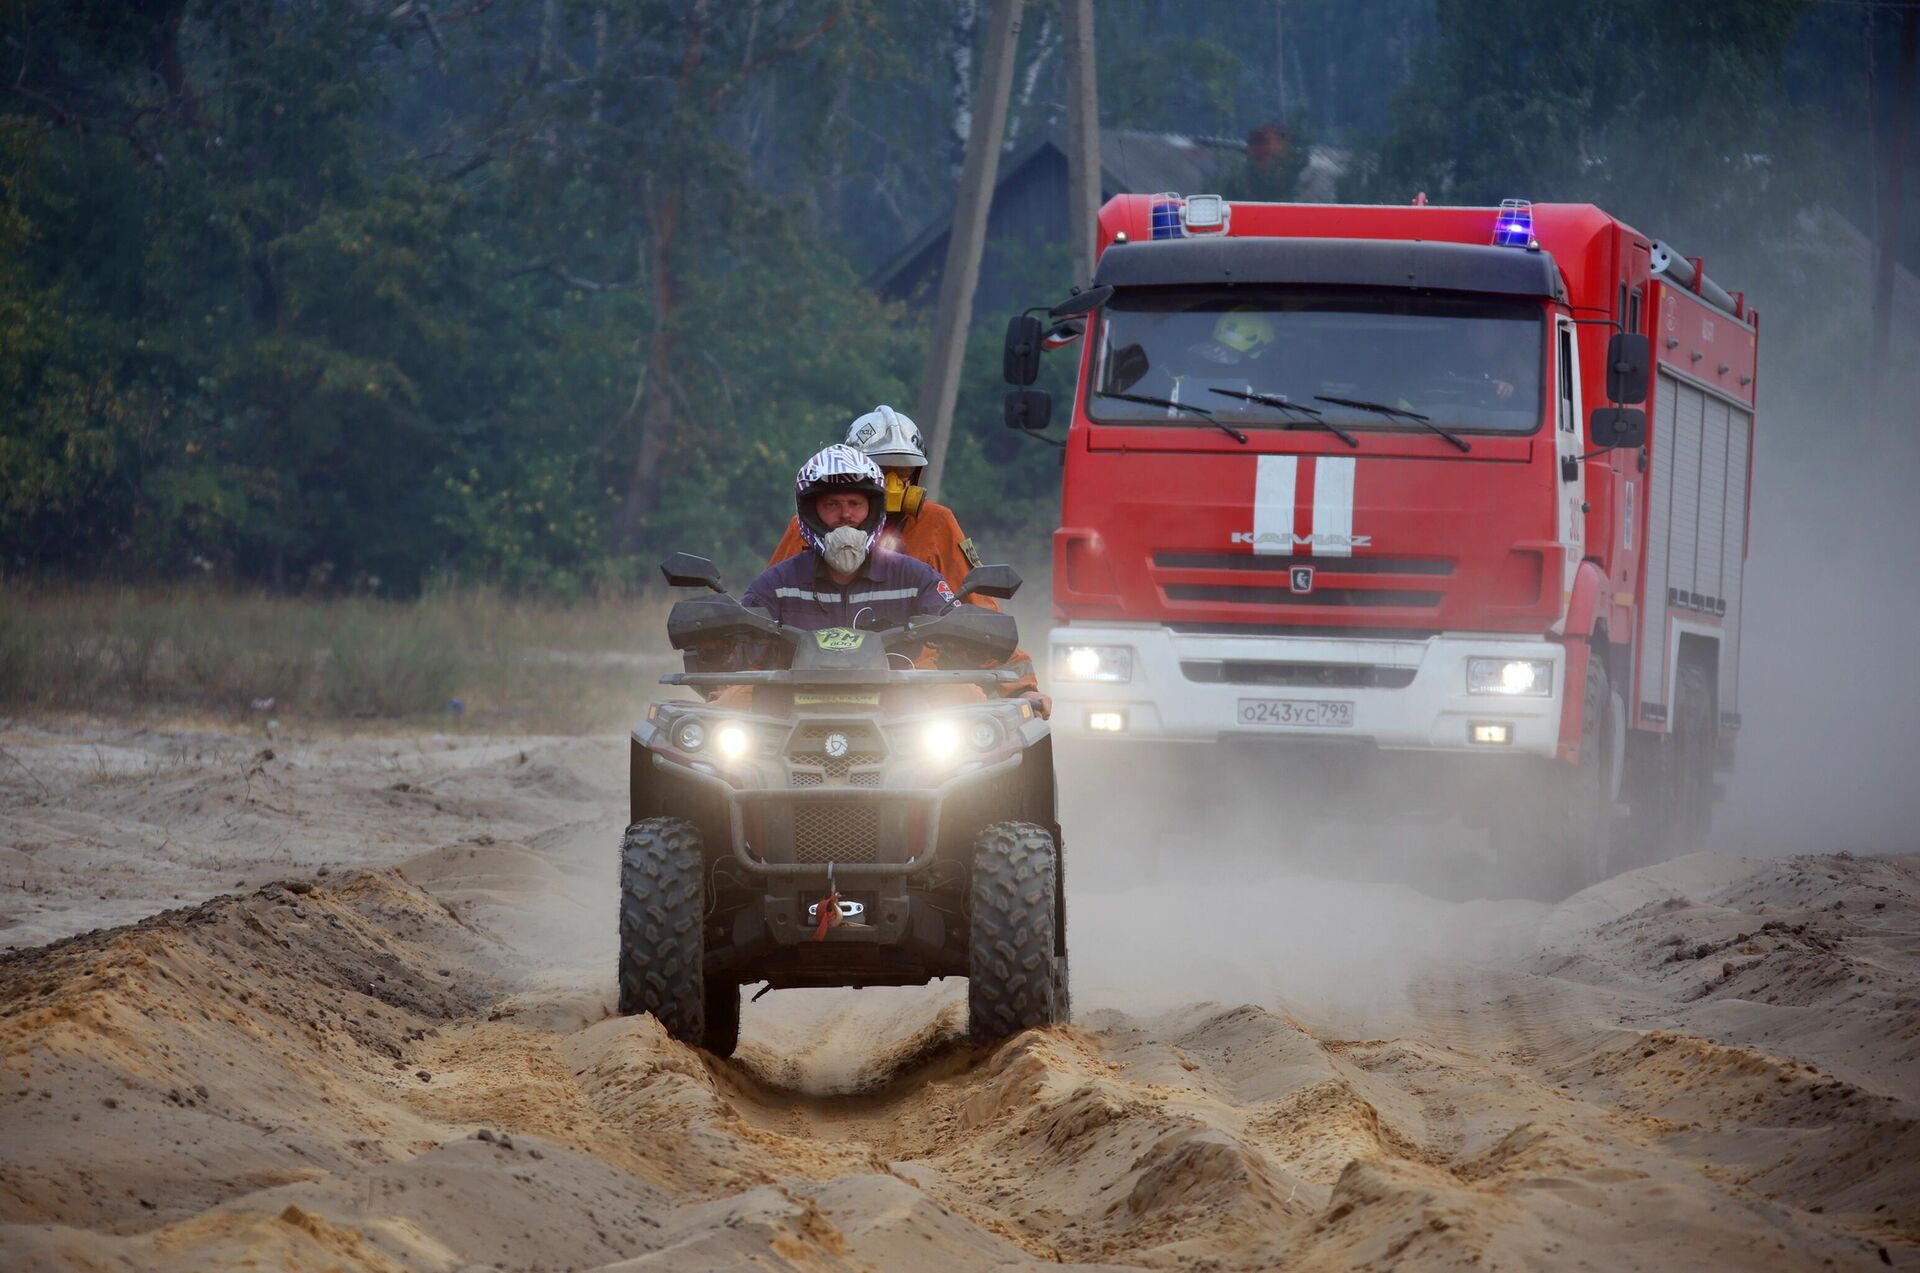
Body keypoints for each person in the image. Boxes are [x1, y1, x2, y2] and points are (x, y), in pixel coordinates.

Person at [767, 407, 1049, 717]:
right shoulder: (809, 526)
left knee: (981, 728)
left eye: (902, 473)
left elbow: (978, 615)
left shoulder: (937, 525)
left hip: (913, 671)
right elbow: (760, 616)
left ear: (915, 475)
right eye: (881, 469)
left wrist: (1022, 688)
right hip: (808, 672)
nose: (892, 483)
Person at [742, 443, 956, 635]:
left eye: (855, 503)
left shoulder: (917, 579)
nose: (845, 514)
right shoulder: (776, 585)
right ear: (810, 512)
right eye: (832, 504)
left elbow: (958, 633)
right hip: (806, 681)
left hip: (901, 680)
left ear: (873, 510)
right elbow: (737, 652)